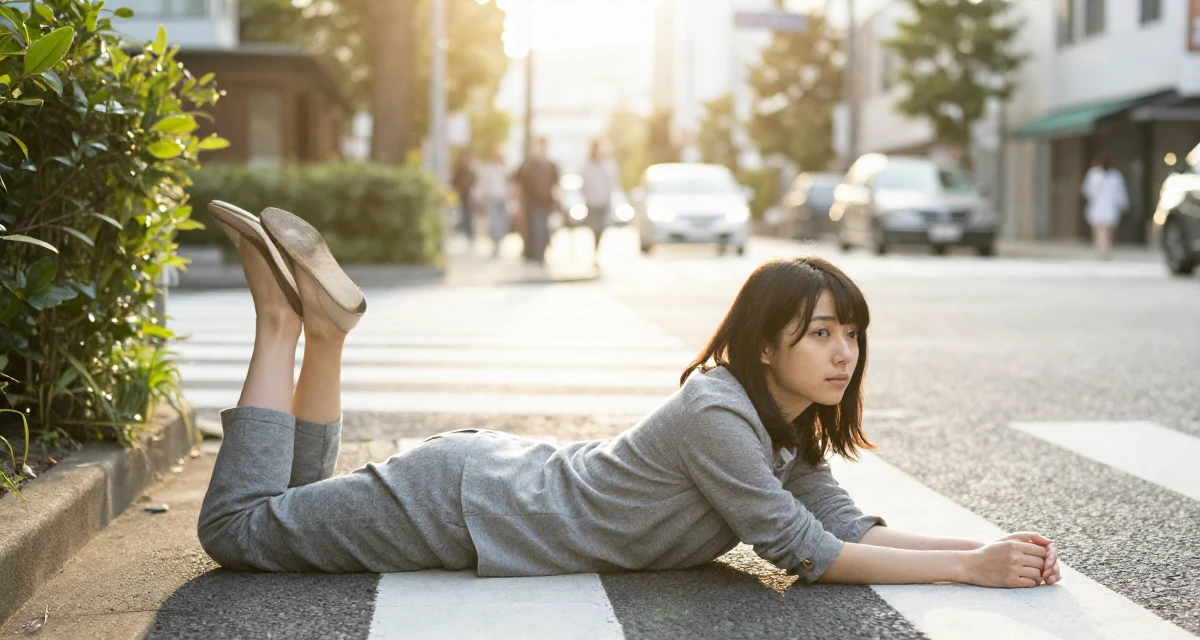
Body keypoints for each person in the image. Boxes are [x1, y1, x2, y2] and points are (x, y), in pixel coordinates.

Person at [198, 203, 1063, 589]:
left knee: (292, 505)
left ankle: (326, 336)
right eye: (821, 333)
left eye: (852, 333)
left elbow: (847, 528)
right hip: (466, 507)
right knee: (239, 531)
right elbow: (803, 552)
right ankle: (281, 322)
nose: (844, 353)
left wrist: (987, 548)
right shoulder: (719, 413)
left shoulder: (781, 425)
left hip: (487, 490)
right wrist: (968, 571)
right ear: (767, 345)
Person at [515, 137, 560, 264]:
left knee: (543, 229)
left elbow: (556, 185)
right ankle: (536, 254)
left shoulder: (551, 166)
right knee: (536, 228)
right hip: (532, 203)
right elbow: (518, 183)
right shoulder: (529, 165)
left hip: (546, 203)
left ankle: (541, 253)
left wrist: (558, 201)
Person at [580, 138, 623, 266]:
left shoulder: (608, 165)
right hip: (592, 202)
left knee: (603, 227)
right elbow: (584, 183)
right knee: (594, 228)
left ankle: (597, 251)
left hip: (604, 201)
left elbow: (613, 183)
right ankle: (595, 252)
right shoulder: (587, 165)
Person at [1081, 154, 1128, 260]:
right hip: (1097, 205)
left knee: (1107, 229)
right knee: (1098, 228)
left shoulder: (1115, 176)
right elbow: (1087, 190)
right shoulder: (1093, 174)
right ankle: (1099, 249)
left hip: (1109, 206)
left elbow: (1120, 191)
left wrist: (1122, 203)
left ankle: (1105, 250)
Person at [475, 146, 511, 258]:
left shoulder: (506, 169)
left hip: (503, 200)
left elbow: (510, 185)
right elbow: (483, 184)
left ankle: (499, 244)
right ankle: (495, 244)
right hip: (491, 199)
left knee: (502, 224)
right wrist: (479, 196)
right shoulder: (488, 169)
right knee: (493, 224)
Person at [452, 149, 478, 243]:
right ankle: (465, 231)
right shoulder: (459, 169)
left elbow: (474, 178)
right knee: (462, 212)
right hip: (461, 193)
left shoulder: (469, 169)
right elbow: (454, 180)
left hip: (468, 193)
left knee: (468, 213)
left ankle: (470, 233)